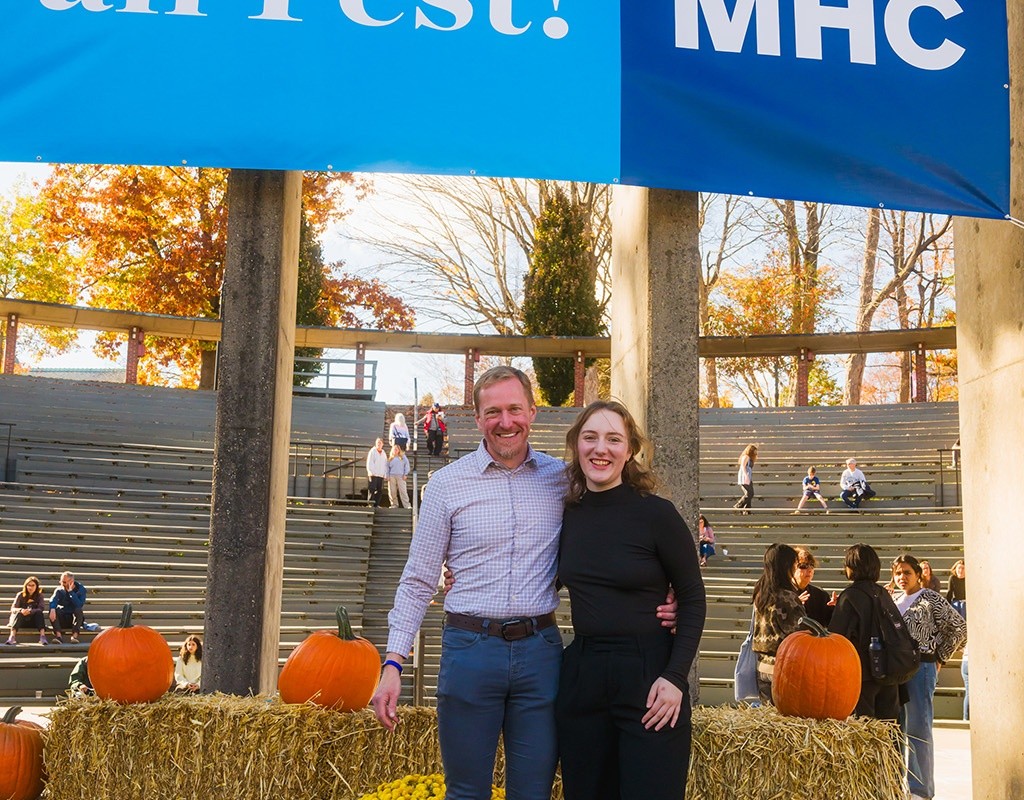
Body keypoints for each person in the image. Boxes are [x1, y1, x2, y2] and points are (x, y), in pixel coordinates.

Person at [371, 366, 677, 800]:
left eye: (515, 408)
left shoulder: (565, 480)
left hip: (541, 653)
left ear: (532, 412)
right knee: (466, 792)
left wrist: (667, 595)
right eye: (493, 411)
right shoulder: (446, 486)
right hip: (469, 649)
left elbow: (616, 533)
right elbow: (419, 580)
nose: (505, 421)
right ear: (477, 419)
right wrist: (393, 664)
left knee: (533, 793)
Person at [556, 401, 706, 800]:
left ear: (630, 450)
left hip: (650, 677)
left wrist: (675, 678)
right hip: (583, 675)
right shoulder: (564, 514)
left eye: (613, 439)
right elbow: (533, 579)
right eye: (590, 437)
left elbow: (692, 596)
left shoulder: (656, 515)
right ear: (576, 445)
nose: (600, 448)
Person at [891, 554, 967, 800]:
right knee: (897, 727)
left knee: (918, 728)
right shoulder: (893, 599)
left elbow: (959, 628)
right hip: (896, 671)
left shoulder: (930, 598)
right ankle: (897, 784)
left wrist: (940, 658)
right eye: (898, 573)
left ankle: (920, 790)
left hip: (921, 667)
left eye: (907, 573)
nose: (902, 577)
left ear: (918, 574)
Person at [828, 543, 902, 720]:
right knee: (889, 731)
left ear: (852, 567)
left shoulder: (850, 595)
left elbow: (837, 636)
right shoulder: (883, 593)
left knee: (864, 728)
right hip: (888, 671)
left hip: (862, 675)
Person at [751, 543, 804, 704]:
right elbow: (800, 632)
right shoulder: (787, 596)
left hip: (762, 666)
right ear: (787, 566)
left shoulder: (760, 592)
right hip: (784, 668)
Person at [792, 548, 836, 627]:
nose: (809, 570)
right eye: (803, 566)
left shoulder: (821, 595)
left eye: (811, 565)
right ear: (791, 568)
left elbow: (831, 625)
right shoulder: (783, 595)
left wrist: (837, 608)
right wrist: (794, 605)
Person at [5, 576, 48, 646]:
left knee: (39, 613)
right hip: (21, 620)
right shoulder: (20, 595)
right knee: (19, 613)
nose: (31, 587)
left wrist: (31, 611)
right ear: (26, 586)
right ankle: (12, 637)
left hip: (33, 621)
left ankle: (42, 637)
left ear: (36, 586)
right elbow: (13, 608)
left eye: (33, 585)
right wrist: (21, 610)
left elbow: (41, 608)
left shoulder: (39, 596)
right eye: (29, 585)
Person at [49, 571, 87, 643]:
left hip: (74, 619)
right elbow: (53, 599)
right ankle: (58, 636)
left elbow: (79, 604)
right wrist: (52, 608)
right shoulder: (59, 590)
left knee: (78, 610)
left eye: (64, 582)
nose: (62, 584)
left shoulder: (81, 590)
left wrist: (71, 592)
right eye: (61, 581)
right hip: (63, 618)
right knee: (53, 610)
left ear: (71, 581)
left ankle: (74, 637)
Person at [386, 444, 412, 509]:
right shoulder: (390, 458)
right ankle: (394, 504)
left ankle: (407, 505)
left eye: (396, 449)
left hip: (401, 476)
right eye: (394, 449)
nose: (395, 450)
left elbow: (407, 466)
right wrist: (387, 475)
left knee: (403, 491)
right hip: (392, 476)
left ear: (399, 450)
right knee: (392, 491)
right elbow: (387, 468)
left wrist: (405, 474)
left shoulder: (403, 457)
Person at [734, 444, 757, 511]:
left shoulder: (750, 458)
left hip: (748, 476)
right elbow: (743, 466)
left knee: (750, 493)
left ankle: (747, 510)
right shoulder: (746, 456)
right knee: (749, 493)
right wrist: (746, 476)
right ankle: (738, 506)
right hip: (745, 476)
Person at [366, 438, 388, 508]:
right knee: (371, 489)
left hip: (381, 475)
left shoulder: (384, 453)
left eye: (380, 443)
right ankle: (370, 504)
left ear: (382, 444)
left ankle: (376, 504)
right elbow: (369, 462)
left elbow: (385, 464)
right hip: (373, 474)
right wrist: (370, 471)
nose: (379, 444)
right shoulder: (372, 451)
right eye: (378, 442)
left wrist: (385, 474)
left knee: (380, 491)